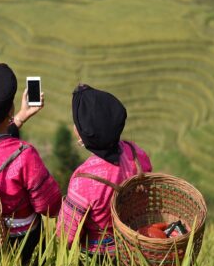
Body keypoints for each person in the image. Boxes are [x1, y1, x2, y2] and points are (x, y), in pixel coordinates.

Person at [0, 63, 62, 266]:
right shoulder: (25, 155)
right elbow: (49, 206)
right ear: (9, 109)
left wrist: (20, 118)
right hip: (22, 241)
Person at [56, 84, 152, 256]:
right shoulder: (137, 154)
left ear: (82, 133)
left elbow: (66, 235)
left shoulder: (83, 180)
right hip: (137, 249)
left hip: (99, 259)